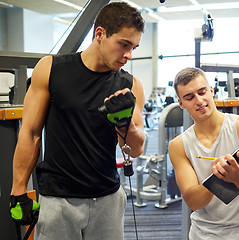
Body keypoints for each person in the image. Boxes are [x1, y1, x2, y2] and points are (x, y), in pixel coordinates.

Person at [9, 2, 145, 240]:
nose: (128, 55)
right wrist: (18, 190)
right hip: (59, 200)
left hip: (108, 200)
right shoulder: (51, 69)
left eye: (134, 47)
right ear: (100, 34)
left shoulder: (130, 85)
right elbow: (30, 133)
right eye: (124, 44)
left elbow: (136, 149)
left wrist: (126, 125)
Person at [168, 67, 239, 239]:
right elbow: (193, 201)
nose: (199, 101)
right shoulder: (179, 145)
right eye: (189, 97)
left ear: (211, 91)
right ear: (181, 103)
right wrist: (218, 177)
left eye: (202, 92)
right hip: (206, 235)